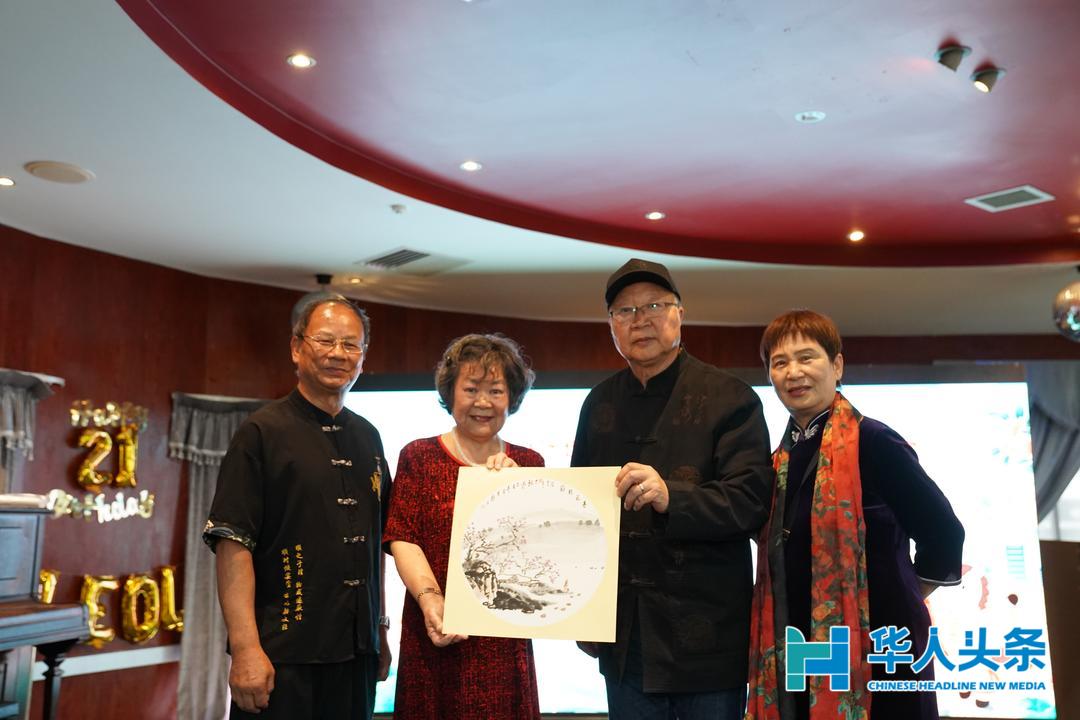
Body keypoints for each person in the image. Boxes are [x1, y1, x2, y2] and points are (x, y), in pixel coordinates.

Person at [572, 258, 775, 719]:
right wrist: (582, 612)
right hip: (625, 637)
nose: (640, 320)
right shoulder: (599, 403)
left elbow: (750, 502)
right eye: (625, 311)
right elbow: (582, 515)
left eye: (654, 306)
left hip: (707, 637)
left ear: (679, 314)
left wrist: (671, 496)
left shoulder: (731, 397)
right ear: (611, 326)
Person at [746, 309, 965, 720]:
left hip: (882, 642)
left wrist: (899, 593)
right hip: (800, 644)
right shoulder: (777, 460)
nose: (794, 372)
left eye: (807, 357)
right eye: (780, 362)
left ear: (837, 365)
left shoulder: (875, 441)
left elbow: (943, 533)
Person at [204, 295, 392, 719]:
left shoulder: (369, 437)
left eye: (351, 344)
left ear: (363, 357)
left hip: (357, 653)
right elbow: (232, 543)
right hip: (282, 655)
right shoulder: (261, 432)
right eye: (325, 340)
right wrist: (245, 648)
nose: (338, 354)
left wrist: (379, 628)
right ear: (296, 347)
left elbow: (375, 542)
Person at [384, 333, 544, 720]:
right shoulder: (419, 456)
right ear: (450, 392)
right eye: (471, 389)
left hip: (504, 640)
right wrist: (431, 600)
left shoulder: (529, 463)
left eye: (496, 390)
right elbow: (403, 536)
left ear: (512, 397)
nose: (483, 402)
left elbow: (540, 554)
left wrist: (519, 491)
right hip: (434, 627)